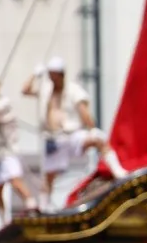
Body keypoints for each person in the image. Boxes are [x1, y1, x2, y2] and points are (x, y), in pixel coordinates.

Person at [21, 56, 100, 204]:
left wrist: (92, 129)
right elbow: (25, 90)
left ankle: (111, 170)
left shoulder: (73, 89)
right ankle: (44, 208)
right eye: (50, 74)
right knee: (48, 178)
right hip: (53, 138)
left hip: (71, 135)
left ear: (61, 74)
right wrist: (34, 74)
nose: (51, 78)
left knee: (97, 141)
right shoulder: (46, 89)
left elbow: (84, 111)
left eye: (54, 74)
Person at [0, 79, 35, 217]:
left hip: (9, 150)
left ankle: (32, 206)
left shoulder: (3, 103)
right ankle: (2, 218)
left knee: (15, 181)